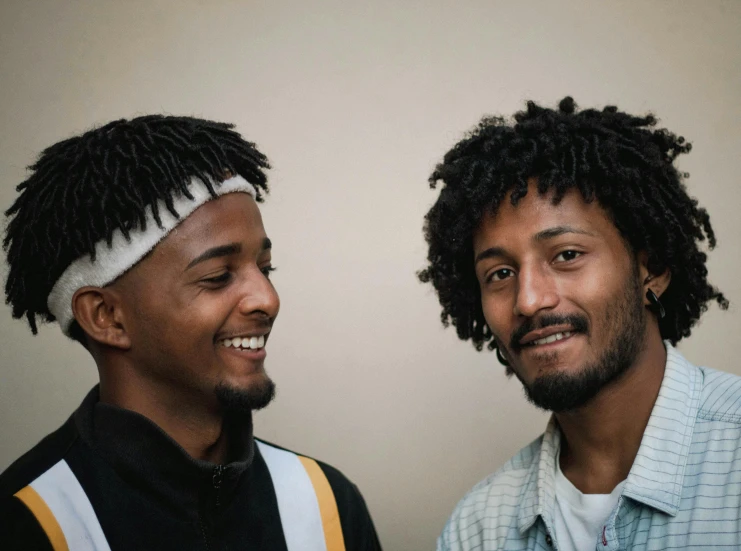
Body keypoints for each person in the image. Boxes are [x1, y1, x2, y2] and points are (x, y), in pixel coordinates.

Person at [0, 115, 382, 551]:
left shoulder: (326, 504)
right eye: (218, 276)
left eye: (265, 268)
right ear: (105, 316)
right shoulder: (26, 523)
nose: (267, 299)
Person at [420, 97, 736, 550]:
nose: (528, 300)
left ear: (653, 268)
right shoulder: (479, 527)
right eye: (500, 274)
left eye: (567, 255)